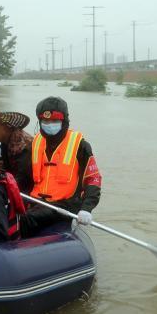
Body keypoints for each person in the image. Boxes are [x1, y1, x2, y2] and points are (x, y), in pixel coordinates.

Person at [21, 96, 102, 237]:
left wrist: (87, 208)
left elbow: (93, 179)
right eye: (45, 121)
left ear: (64, 121)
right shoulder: (36, 143)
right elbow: (24, 175)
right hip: (35, 201)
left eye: (54, 121)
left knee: (27, 219)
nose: (49, 124)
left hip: (64, 205)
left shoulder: (80, 146)